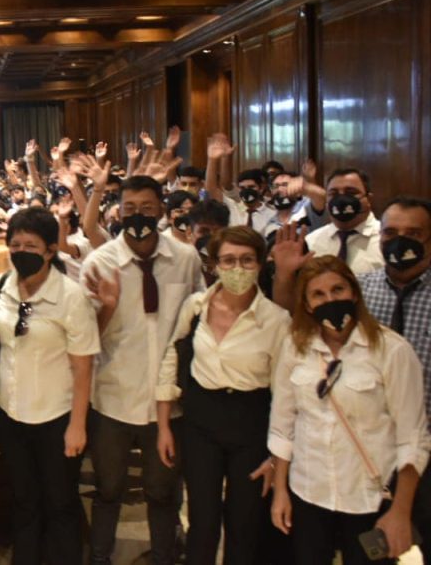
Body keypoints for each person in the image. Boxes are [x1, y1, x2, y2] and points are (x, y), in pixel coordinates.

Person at [268, 255, 430, 564]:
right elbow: (283, 423)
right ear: (306, 303)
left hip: (367, 497)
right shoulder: (295, 347)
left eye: (338, 290)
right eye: (318, 294)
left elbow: (413, 439)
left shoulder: (392, 350)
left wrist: (400, 511)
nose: (330, 299)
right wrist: (280, 492)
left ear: (354, 293)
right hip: (308, 490)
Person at [82, 175, 204, 565]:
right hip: (112, 398)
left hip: (168, 403)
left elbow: (197, 320)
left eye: (147, 209)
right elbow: (84, 340)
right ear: (118, 212)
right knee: (108, 488)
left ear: (162, 211)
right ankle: (100, 556)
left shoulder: (185, 259)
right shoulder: (100, 263)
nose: (138, 217)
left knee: (162, 491)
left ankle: (164, 555)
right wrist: (106, 308)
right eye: (130, 209)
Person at [155, 226, 291, 564]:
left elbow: (285, 395)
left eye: (247, 260)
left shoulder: (276, 320)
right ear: (214, 265)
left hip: (251, 422)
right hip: (201, 420)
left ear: (261, 264)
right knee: (202, 518)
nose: (237, 269)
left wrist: (277, 455)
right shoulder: (196, 306)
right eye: (228, 260)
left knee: (244, 521)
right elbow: (171, 359)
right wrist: (163, 426)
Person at [0, 206, 97, 564]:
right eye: (15, 244)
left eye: (32, 246)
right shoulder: (2, 285)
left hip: (57, 417)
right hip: (10, 412)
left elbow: (83, 368)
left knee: (60, 502)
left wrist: (77, 426)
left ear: (51, 250)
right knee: (23, 499)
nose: (21, 252)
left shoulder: (70, 296)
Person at [357, 196, 431, 562]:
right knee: (373, 547)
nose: (400, 241)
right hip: (372, 446)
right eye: (391, 233)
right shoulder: (360, 290)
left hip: (427, 444)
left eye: (413, 233)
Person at [305, 168, 384, 274]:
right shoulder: (312, 242)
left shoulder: (385, 239)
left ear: (368, 199)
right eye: (333, 194)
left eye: (351, 193)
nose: (341, 200)